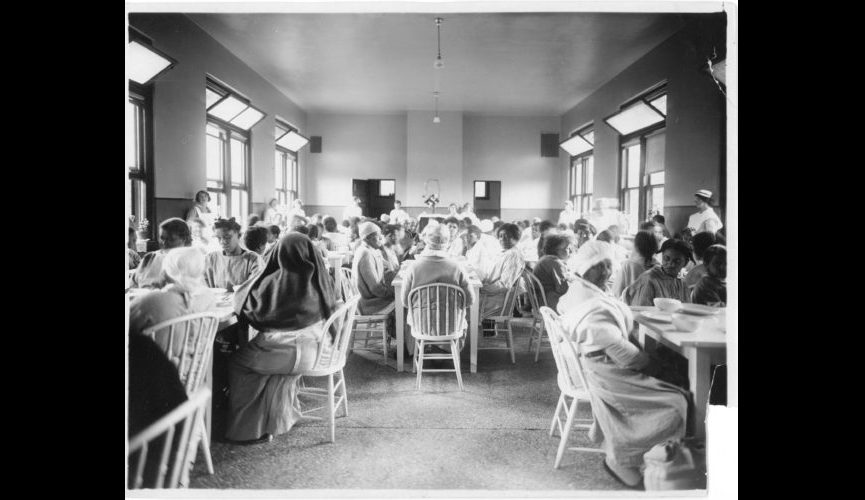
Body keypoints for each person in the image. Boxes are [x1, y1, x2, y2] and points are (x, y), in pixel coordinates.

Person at [557, 255, 690, 487]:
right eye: (601, 268)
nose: (608, 273)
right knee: (676, 403)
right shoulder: (590, 304)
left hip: (595, 365)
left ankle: (631, 453)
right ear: (584, 271)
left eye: (609, 267)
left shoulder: (581, 291)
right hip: (603, 372)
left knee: (673, 371)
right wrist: (657, 367)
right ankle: (623, 459)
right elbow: (625, 355)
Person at [225, 233, 338, 444]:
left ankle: (247, 429)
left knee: (238, 363)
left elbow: (250, 311)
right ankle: (276, 419)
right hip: (315, 354)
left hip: (278, 356)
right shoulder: (321, 279)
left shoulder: (271, 283)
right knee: (274, 368)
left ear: (278, 253)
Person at [400, 223, 475, 357]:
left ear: (426, 240)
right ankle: (444, 348)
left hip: (421, 325)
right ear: (448, 241)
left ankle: (423, 349)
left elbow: (405, 302)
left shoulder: (414, 267)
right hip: (450, 325)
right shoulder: (456, 267)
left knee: (411, 314)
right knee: (460, 317)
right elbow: (470, 300)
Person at [625, 239, 694, 306]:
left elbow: (686, 308)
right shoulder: (649, 279)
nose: (670, 264)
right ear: (662, 256)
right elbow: (640, 312)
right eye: (666, 259)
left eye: (677, 261)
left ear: (685, 263)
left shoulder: (682, 282)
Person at [479, 223, 526, 321]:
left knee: (465, 301)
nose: (502, 239)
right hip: (493, 293)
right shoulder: (505, 252)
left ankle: (478, 332)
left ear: (515, 238)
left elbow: (504, 284)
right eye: (500, 236)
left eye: (507, 236)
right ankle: (485, 331)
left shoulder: (513, 255)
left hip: (498, 299)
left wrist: (482, 289)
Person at [132, 218, 193, 289]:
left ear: (184, 239)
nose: (164, 243)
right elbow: (133, 283)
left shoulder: (190, 260)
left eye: (171, 239)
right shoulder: (150, 257)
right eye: (162, 238)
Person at [351, 222, 397, 315]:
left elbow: (391, 267)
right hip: (368, 303)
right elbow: (375, 288)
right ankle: (396, 329)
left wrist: (384, 249)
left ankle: (393, 328)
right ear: (367, 238)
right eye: (378, 236)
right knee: (401, 299)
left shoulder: (370, 250)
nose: (381, 239)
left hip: (370, 299)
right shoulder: (366, 254)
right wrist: (390, 293)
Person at [205, 218, 262, 291]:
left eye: (227, 237)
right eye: (219, 238)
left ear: (239, 236)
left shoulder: (253, 260)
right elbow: (204, 287)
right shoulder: (211, 259)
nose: (223, 242)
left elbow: (255, 289)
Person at [533, 234, 577, 310]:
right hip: (550, 303)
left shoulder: (545, 259)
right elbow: (563, 289)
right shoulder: (555, 262)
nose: (571, 251)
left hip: (541, 301)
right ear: (555, 250)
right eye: (567, 248)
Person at [611, 231, 658, 298]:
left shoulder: (628, 265)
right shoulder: (658, 266)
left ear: (636, 246)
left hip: (630, 307)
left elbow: (616, 293)